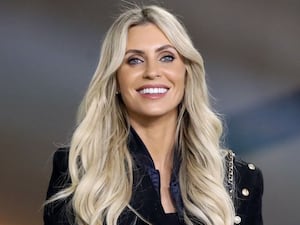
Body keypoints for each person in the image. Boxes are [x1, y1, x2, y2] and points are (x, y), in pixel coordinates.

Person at [44, 4, 263, 225]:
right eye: (134, 60)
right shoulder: (80, 172)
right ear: (115, 80)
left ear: (186, 72)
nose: (152, 72)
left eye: (166, 57)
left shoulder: (239, 180)